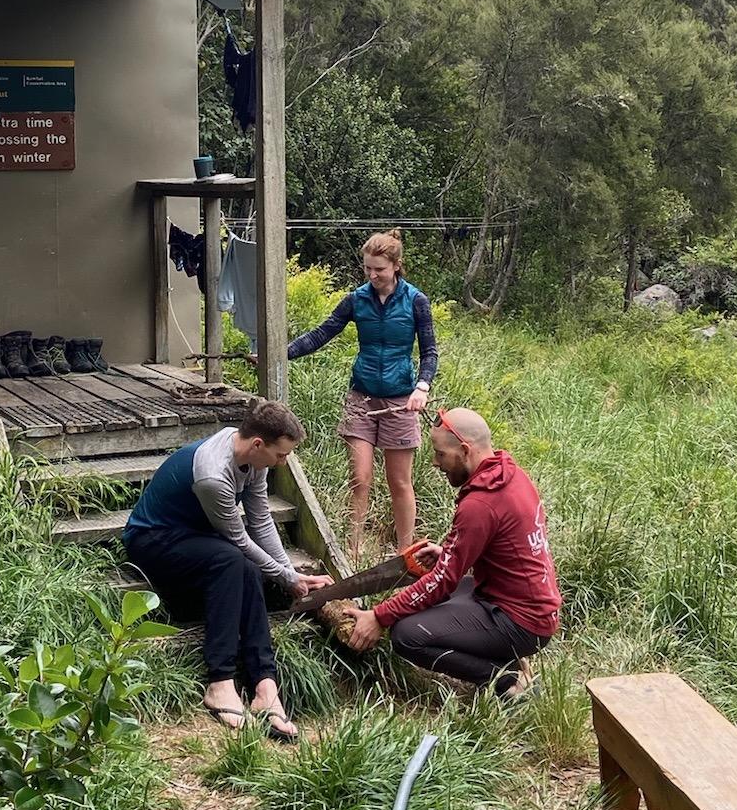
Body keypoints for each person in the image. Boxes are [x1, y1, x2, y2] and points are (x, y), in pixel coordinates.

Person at [123, 399, 332, 739]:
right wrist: (287, 578)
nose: (284, 462)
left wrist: (288, 571)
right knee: (233, 560)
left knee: (247, 569)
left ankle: (265, 685)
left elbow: (260, 520)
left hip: (199, 534)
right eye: (281, 455)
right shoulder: (213, 474)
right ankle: (219, 683)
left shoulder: (253, 457)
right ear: (258, 444)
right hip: (153, 540)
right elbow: (239, 540)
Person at [343, 407, 560, 691]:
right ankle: (507, 655)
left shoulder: (480, 504)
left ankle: (509, 680)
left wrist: (379, 616)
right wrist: (448, 555)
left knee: (407, 635)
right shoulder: (512, 476)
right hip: (519, 601)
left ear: (465, 450)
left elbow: (443, 580)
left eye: (440, 454)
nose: (435, 462)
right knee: (427, 598)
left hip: (522, 621)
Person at [286, 230, 437, 562]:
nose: (372, 275)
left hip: (400, 402)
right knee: (359, 478)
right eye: (367, 268)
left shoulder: (415, 301)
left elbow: (430, 352)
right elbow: (322, 333)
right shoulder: (357, 299)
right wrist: (281, 353)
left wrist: (422, 387)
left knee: (399, 482)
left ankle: (404, 554)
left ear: (396, 266)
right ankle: (352, 553)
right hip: (361, 400)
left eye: (379, 269)